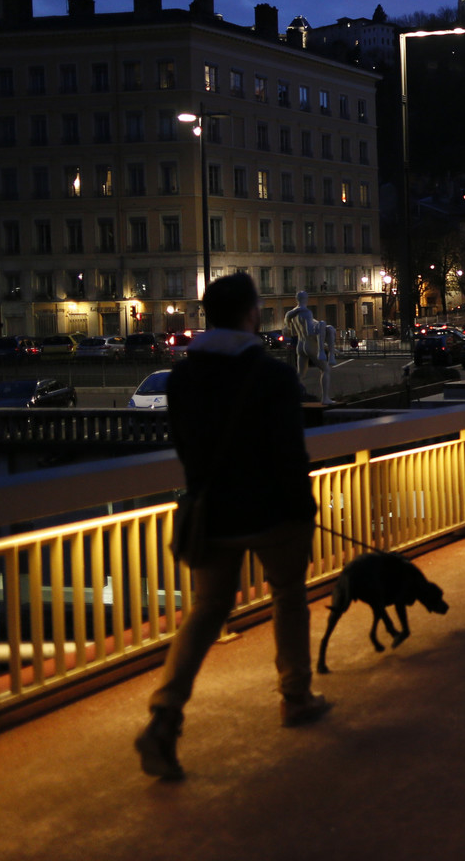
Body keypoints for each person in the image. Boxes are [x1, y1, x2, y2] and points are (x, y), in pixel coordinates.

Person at [136, 273, 328, 782]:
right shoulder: (273, 377)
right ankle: (295, 696)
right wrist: (303, 509)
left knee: (205, 611)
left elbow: (186, 450)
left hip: (214, 513)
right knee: (288, 596)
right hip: (271, 511)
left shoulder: (182, 379)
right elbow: (290, 454)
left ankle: (165, 714)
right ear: (251, 314)